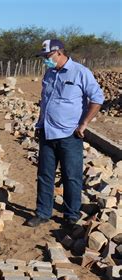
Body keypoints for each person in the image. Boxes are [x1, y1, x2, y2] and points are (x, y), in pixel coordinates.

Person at [25, 39, 104, 228]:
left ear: (59, 53)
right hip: (47, 132)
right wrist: (40, 124)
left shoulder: (80, 72)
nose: (45, 60)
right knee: (45, 175)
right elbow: (46, 101)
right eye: (44, 57)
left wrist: (84, 124)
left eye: (47, 56)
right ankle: (43, 213)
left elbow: (97, 98)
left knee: (71, 175)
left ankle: (71, 215)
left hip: (70, 134)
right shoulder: (50, 73)